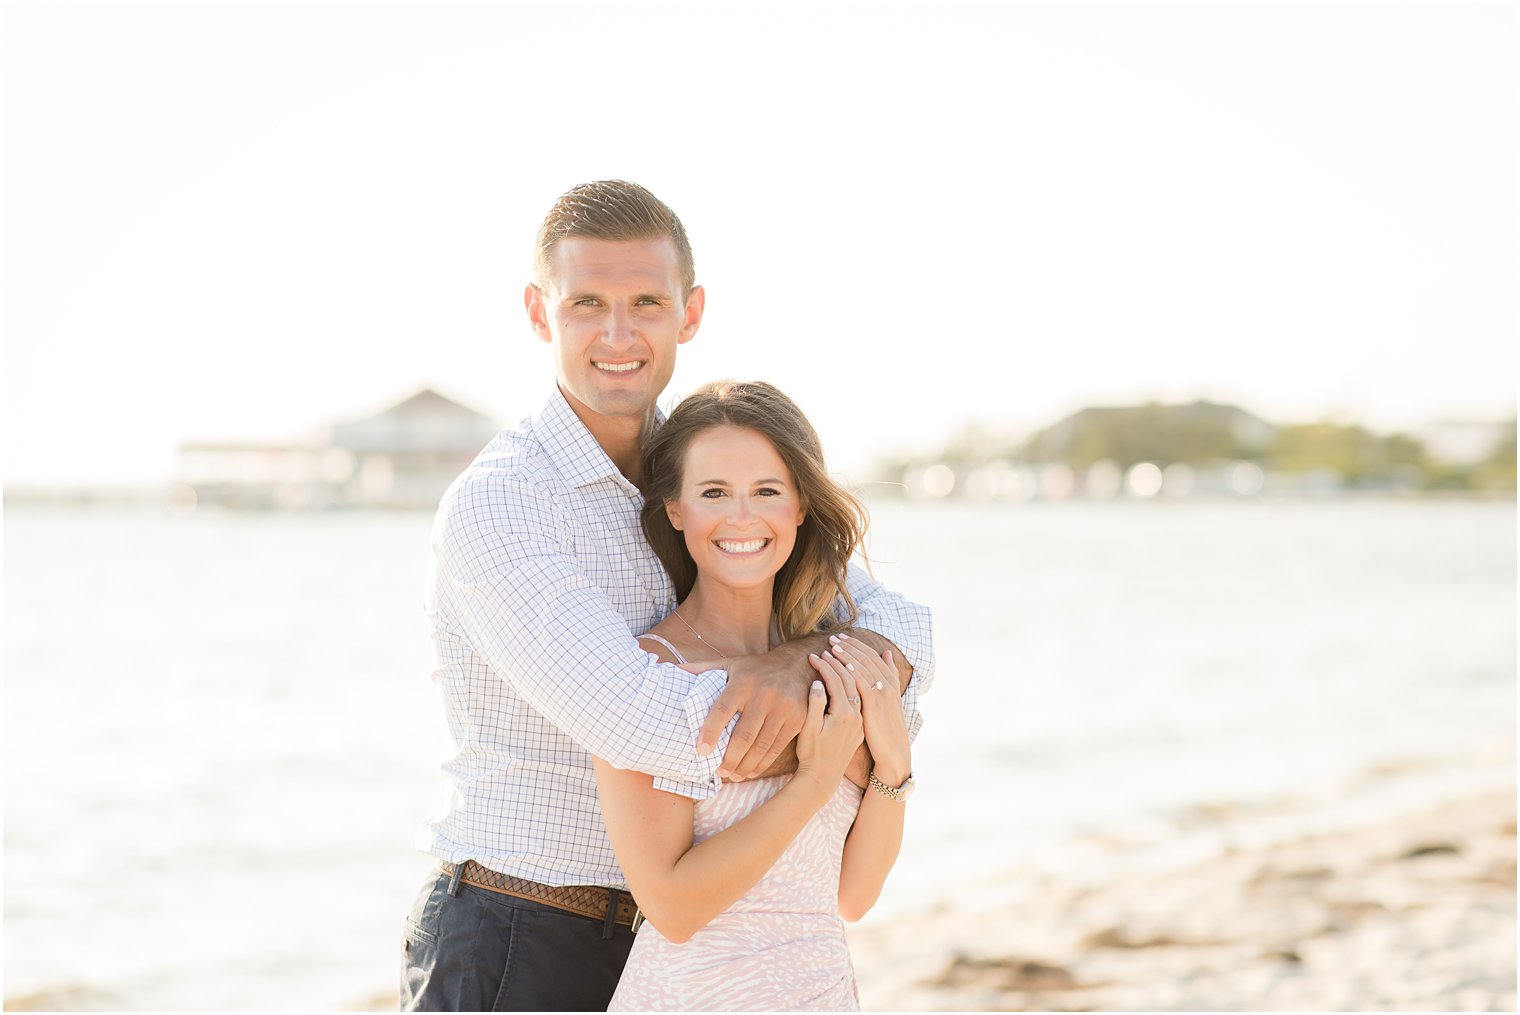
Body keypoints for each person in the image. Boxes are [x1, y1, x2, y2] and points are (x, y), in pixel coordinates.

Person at [400, 180, 933, 1012]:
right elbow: (646, 720)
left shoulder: (707, 480)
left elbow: (905, 631)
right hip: (524, 932)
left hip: (687, 945)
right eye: (587, 304)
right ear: (541, 314)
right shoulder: (504, 503)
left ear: (690, 313)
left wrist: (800, 663)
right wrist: (848, 724)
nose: (619, 334)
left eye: (647, 301)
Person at [600, 380, 914, 1011]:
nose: (742, 517)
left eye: (766, 491)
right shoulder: (648, 674)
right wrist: (815, 778)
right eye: (714, 492)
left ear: (800, 505)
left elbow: (853, 895)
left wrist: (895, 767)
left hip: (820, 989)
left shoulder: (832, 665)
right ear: (676, 509)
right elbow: (672, 908)